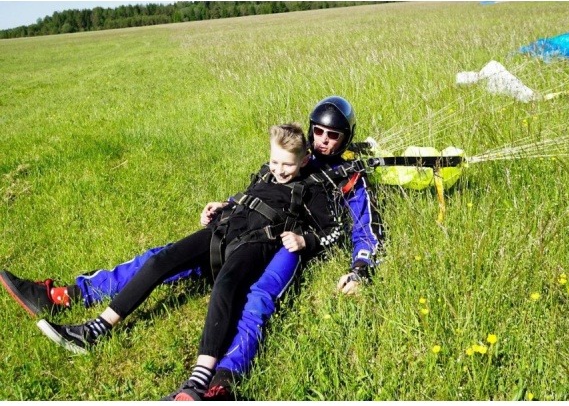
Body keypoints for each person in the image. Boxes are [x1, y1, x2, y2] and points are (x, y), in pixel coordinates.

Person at [0, 96, 384, 400]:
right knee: (160, 258)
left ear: (345, 137)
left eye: (332, 136)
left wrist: (360, 267)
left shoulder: (345, 176)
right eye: (318, 132)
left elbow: (362, 230)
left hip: (282, 243)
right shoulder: (290, 156)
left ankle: (220, 381)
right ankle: (68, 296)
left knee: (254, 297)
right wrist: (227, 204)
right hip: (240, 227)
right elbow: (258, 193)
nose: (323, 141)